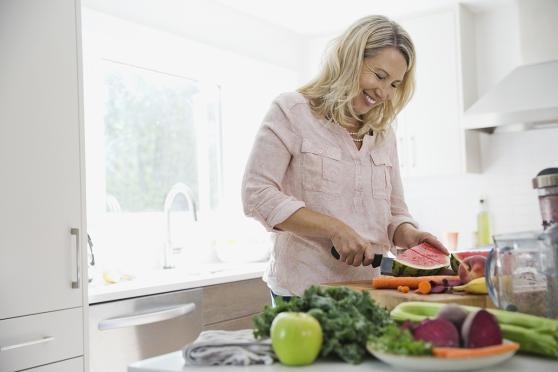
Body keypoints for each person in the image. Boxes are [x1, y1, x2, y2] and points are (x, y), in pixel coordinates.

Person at [241, 15, 448, 303]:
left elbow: (394, 212)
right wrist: (334, 229)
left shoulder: (383, 135)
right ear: (351, 59)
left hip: (371, 292)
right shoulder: (291, 111)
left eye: (394, 85)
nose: (384, 92)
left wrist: (408, 234)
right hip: (303, 292)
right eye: (379, 76)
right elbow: (256, 194)